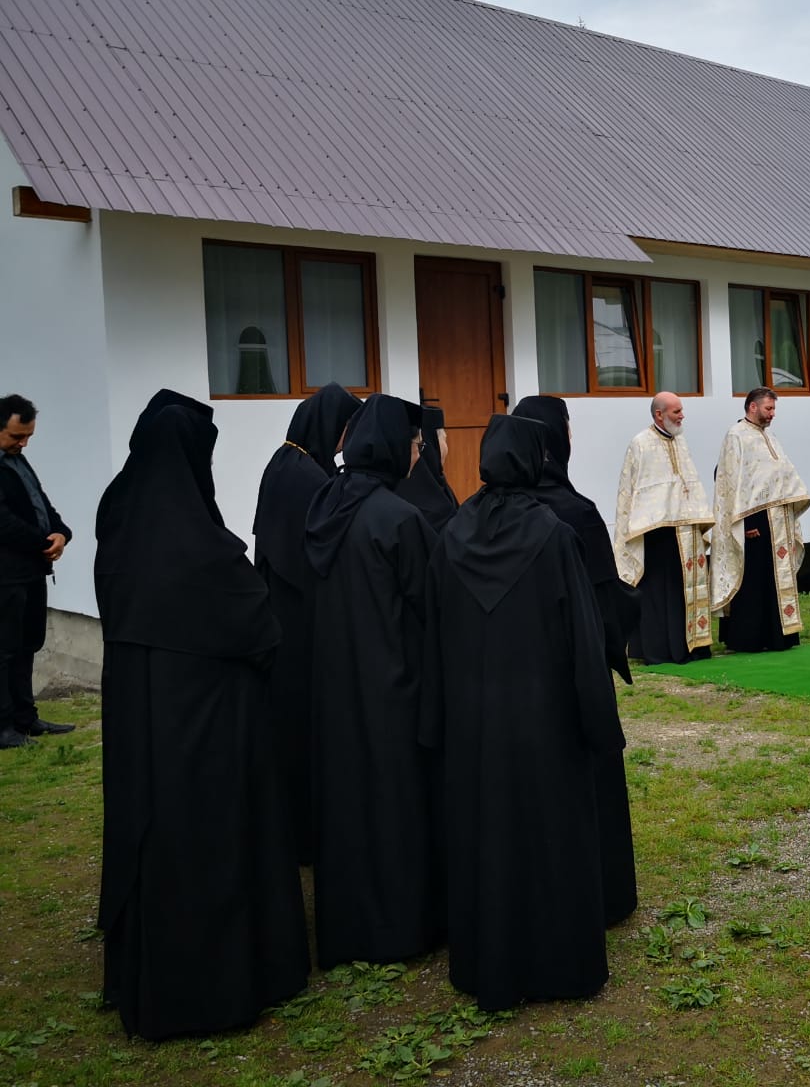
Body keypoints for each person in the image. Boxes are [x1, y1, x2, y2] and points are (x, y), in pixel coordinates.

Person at [94, 396, 308, 1039]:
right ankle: (218, 985)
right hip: (210, 722)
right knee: (212, 843)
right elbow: (257, 625)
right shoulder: (197, 542)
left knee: (151, 834)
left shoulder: (122, 511)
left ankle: (146, 978)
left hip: (138, 713)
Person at [421, 415, 629, 1009]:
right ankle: (557, 965)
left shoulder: (451, 533)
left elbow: (433, 635)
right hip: (545, 717)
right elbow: (582, 638)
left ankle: (488, 962)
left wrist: (436, 719)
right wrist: (597, 720)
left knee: (483, 834)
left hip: (472, 719)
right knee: (549, 836)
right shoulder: (553, 534)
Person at [304, 393, 442, 968]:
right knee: (394, 804)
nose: (418, 453)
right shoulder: (399, 518)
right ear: (391, 448)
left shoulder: (323, 505)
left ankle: (345, 928)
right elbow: (427, 607)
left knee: (345, 802)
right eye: (414, 444)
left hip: (333, 682)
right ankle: (398, 929)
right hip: (392, 682)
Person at [251, 382, 361, 863]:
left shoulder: (291, 462)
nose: (344, 441)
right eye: (343, 431)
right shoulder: (304, 477)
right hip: (298, 623)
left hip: (284, 616)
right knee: (302, 731)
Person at [511, 395, 640, 685]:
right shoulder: (577, 513)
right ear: (557, 438)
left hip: (505, 667)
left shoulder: (481, 512)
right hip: (567, 662)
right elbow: (604, 602)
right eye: (568, 430)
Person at [613, 392, 714, 665]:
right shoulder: (640, 444)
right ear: (659, 414)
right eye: (676, 412)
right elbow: (631, 491)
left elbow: (688, 482)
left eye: (681, 411)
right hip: (656, 533)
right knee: (659, 592)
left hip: (686, 530)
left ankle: (691, 646)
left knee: (686, 589)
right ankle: (659, 650)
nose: (682, 416)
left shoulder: (680, 441)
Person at [710, 387, 810, 652]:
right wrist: (747, 523)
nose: (772, 414)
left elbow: (781, 476)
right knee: (753, 579)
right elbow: (731, 482)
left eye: (773, 409)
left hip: (778, 519)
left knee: (773, 578)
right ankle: (748, 638)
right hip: (752, 520)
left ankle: (779, 635)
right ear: (752, 407)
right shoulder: (736, 436)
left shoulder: (770, 436)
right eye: (769, 408)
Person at [0, 394, 74, 748]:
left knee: (28, 644)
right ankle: (3, 727)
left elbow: (40, 503)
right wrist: (43, 541)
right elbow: (4, 522)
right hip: (6, 574)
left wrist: (61, 532)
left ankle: (26, 719)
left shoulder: (19, 462)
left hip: (31, 570)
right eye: (16, 436)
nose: (23, 442)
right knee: (4, 649)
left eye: (28, 436)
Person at [395, 406, 459, 533]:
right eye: (444, 439)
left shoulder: (437, 484)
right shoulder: (423, 504)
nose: (447, 447)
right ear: (432, 444)